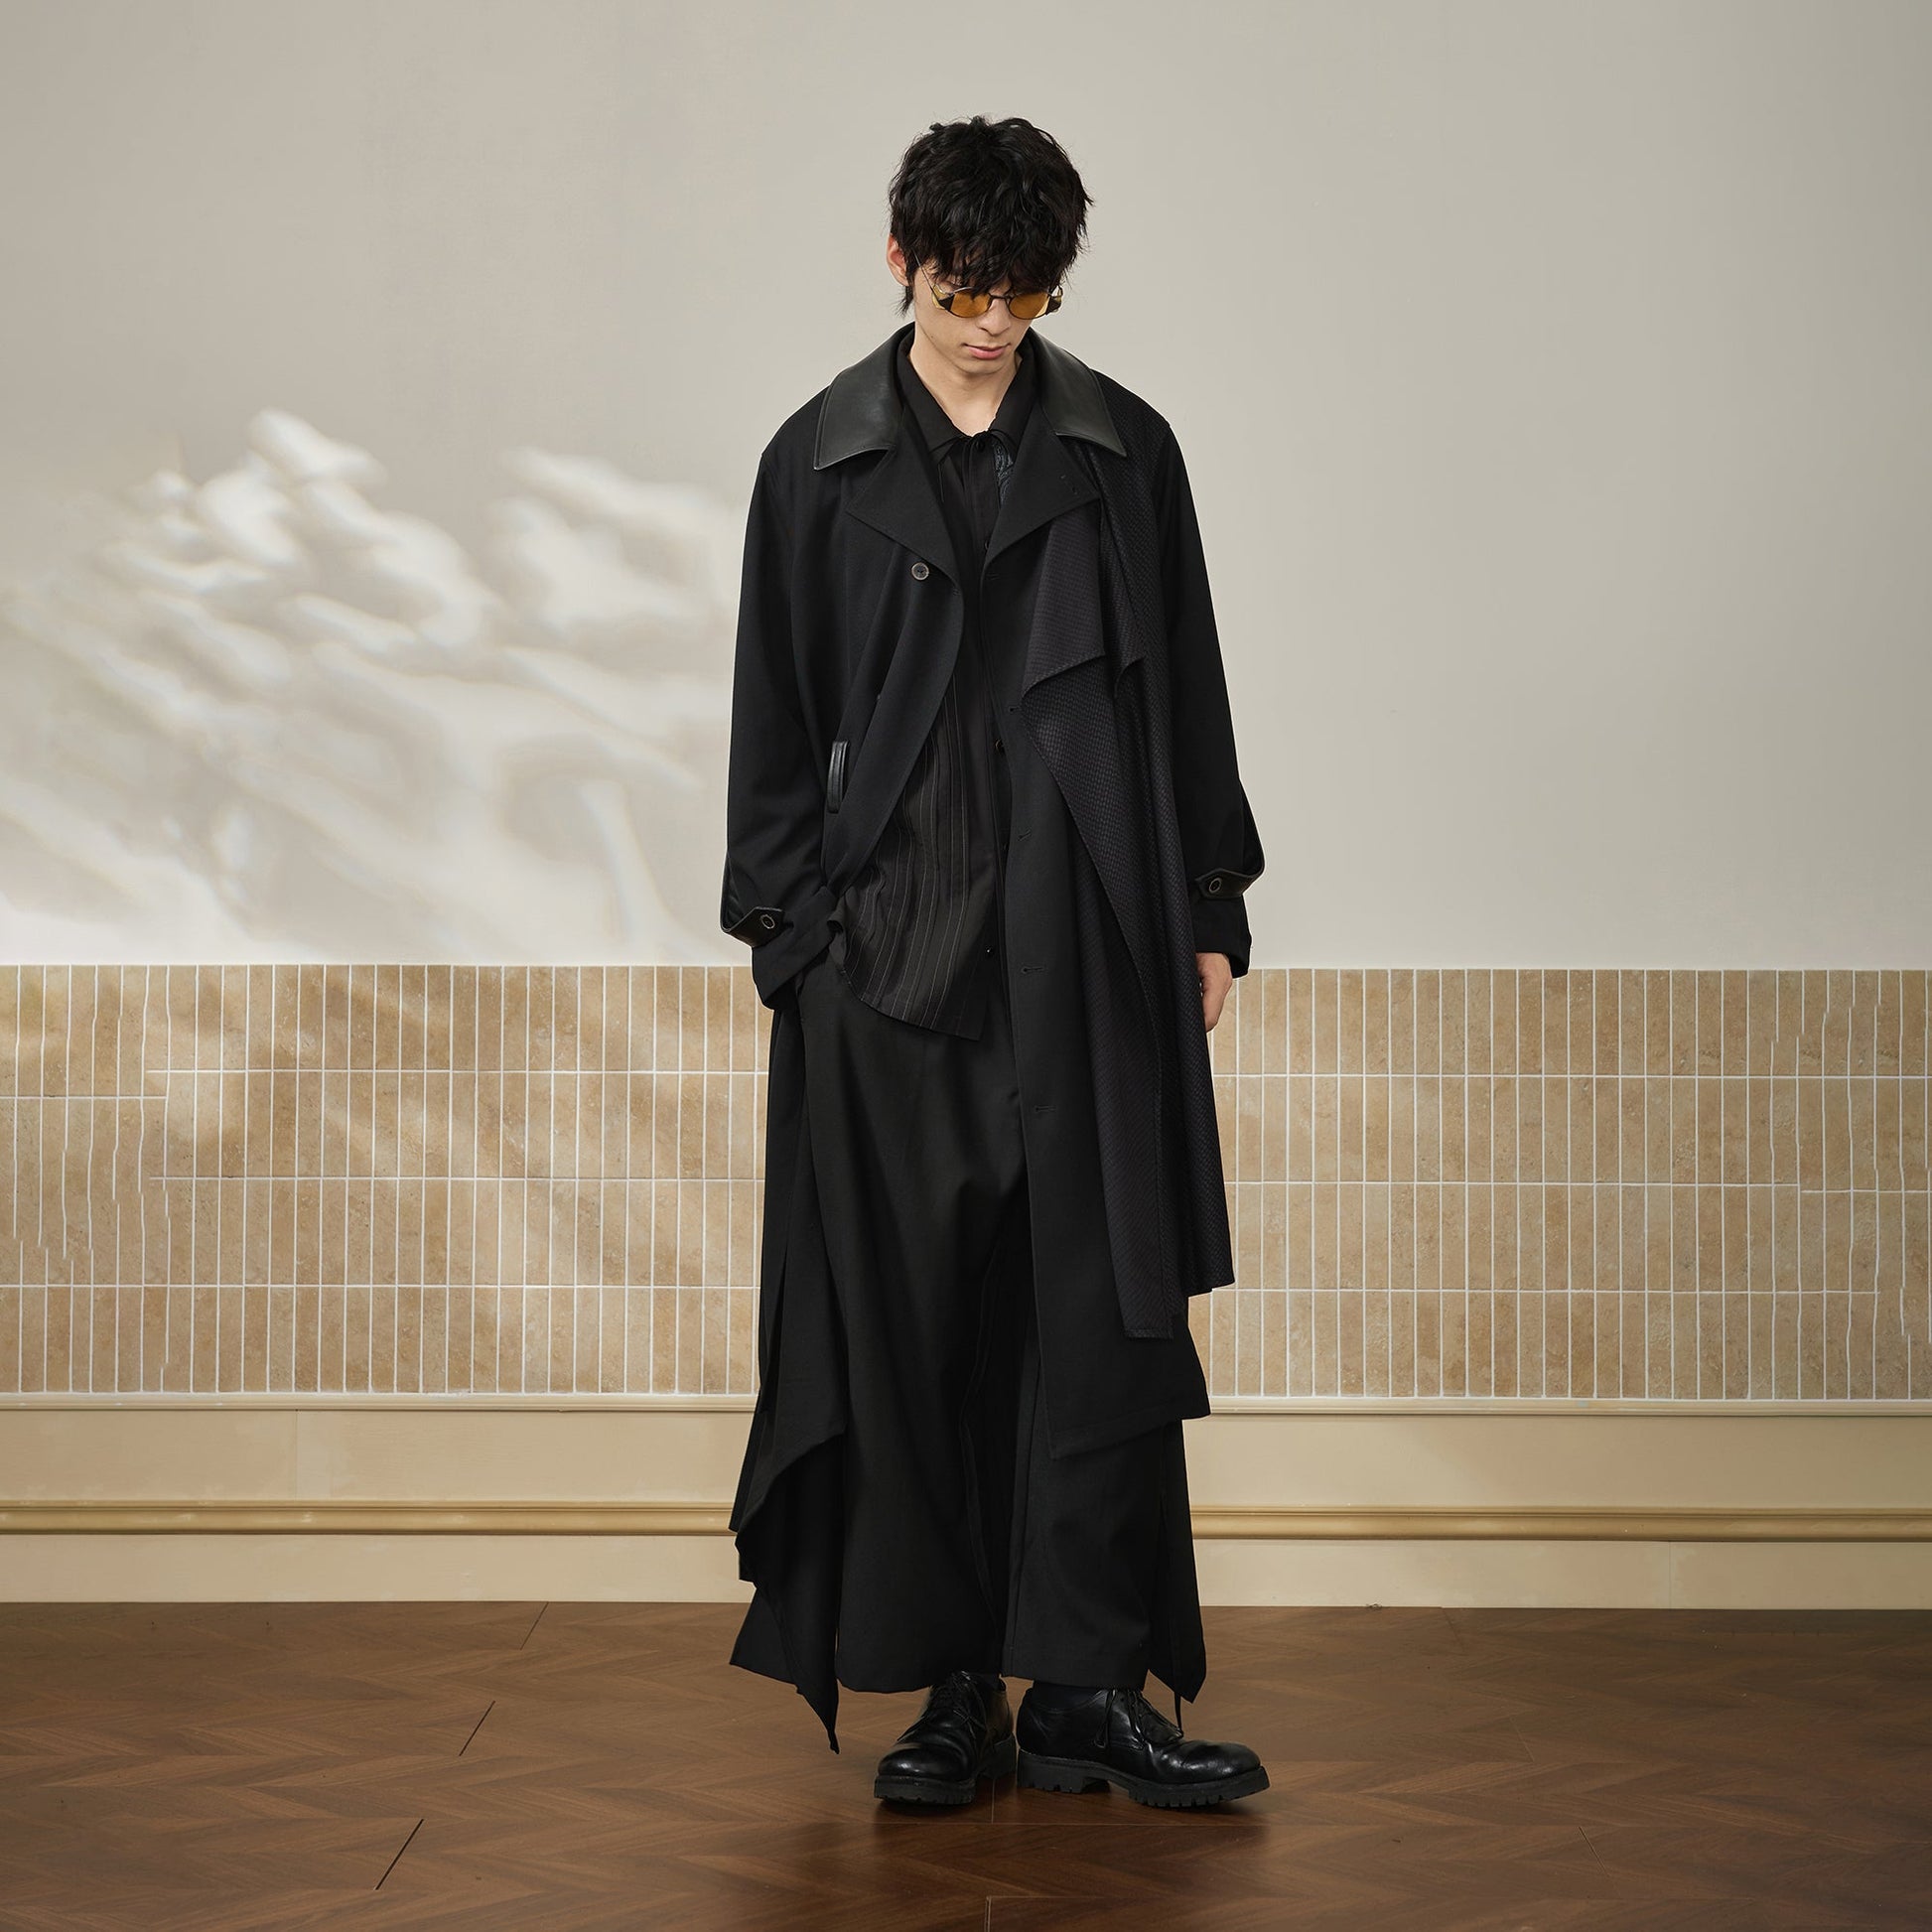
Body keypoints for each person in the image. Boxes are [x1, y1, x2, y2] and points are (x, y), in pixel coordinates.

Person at [719, 114, 1268, 1811]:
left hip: (1089, 961)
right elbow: (772, 719)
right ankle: (955, 1686)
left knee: (1099, 1327)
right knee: (917, 1339)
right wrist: (795, 947)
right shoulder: (816, 461)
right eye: (965, 291)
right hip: (891, 977)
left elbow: (1185, 683)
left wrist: (1209, 904)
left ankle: (1086, 1683)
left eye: (1025, 296)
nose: (992, 326)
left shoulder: (1121, 449)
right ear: (901, 262)